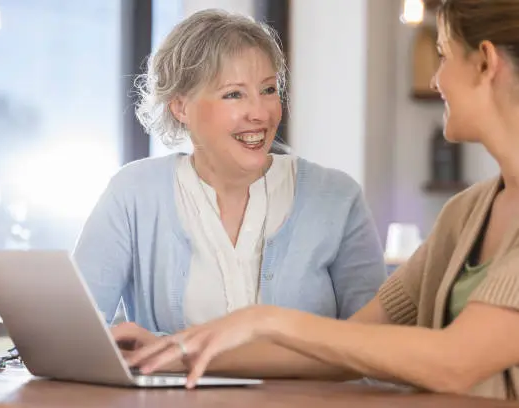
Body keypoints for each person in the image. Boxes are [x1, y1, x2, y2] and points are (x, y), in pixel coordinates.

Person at [128, 0, 519, 400]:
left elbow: (455, 362)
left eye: (443, 56)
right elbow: (353, 344)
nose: (436, 80)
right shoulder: (465, 214)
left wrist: (267, 319)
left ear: (485, 62)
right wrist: (179, 354)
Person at [73, 9, 386, 351]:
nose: (261, 113)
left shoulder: (337, 198)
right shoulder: (133, 193)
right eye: (234, 94)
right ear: (181, 107)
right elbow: (73, 330)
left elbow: (376, 348)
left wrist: (173, 348)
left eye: (268, 89)